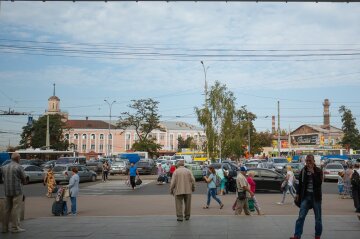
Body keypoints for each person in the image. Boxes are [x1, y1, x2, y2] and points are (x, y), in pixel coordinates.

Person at [290, 154, 323, 239]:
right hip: (306, 196)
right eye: (307, 161)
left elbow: (319, 183)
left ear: (314, 161)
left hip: (316, 197)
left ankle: (317, 235)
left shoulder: (318, 171)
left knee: (318, 218)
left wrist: (313, 173)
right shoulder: (303, 171)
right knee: (301, 217)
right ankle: (297, 235)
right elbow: (300, 184)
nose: (308, 163)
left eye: (310, 161)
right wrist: (297, 193)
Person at [1, 153, 26, 233]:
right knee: (16, 209)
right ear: (18, 158)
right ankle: (15, 228)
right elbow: (24, 178)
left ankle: (4, 228)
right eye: (20, 158)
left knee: (6, 209)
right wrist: (23, 182)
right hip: (17, 191)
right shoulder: (19, 167)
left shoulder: (4, 167)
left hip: (7, 191)